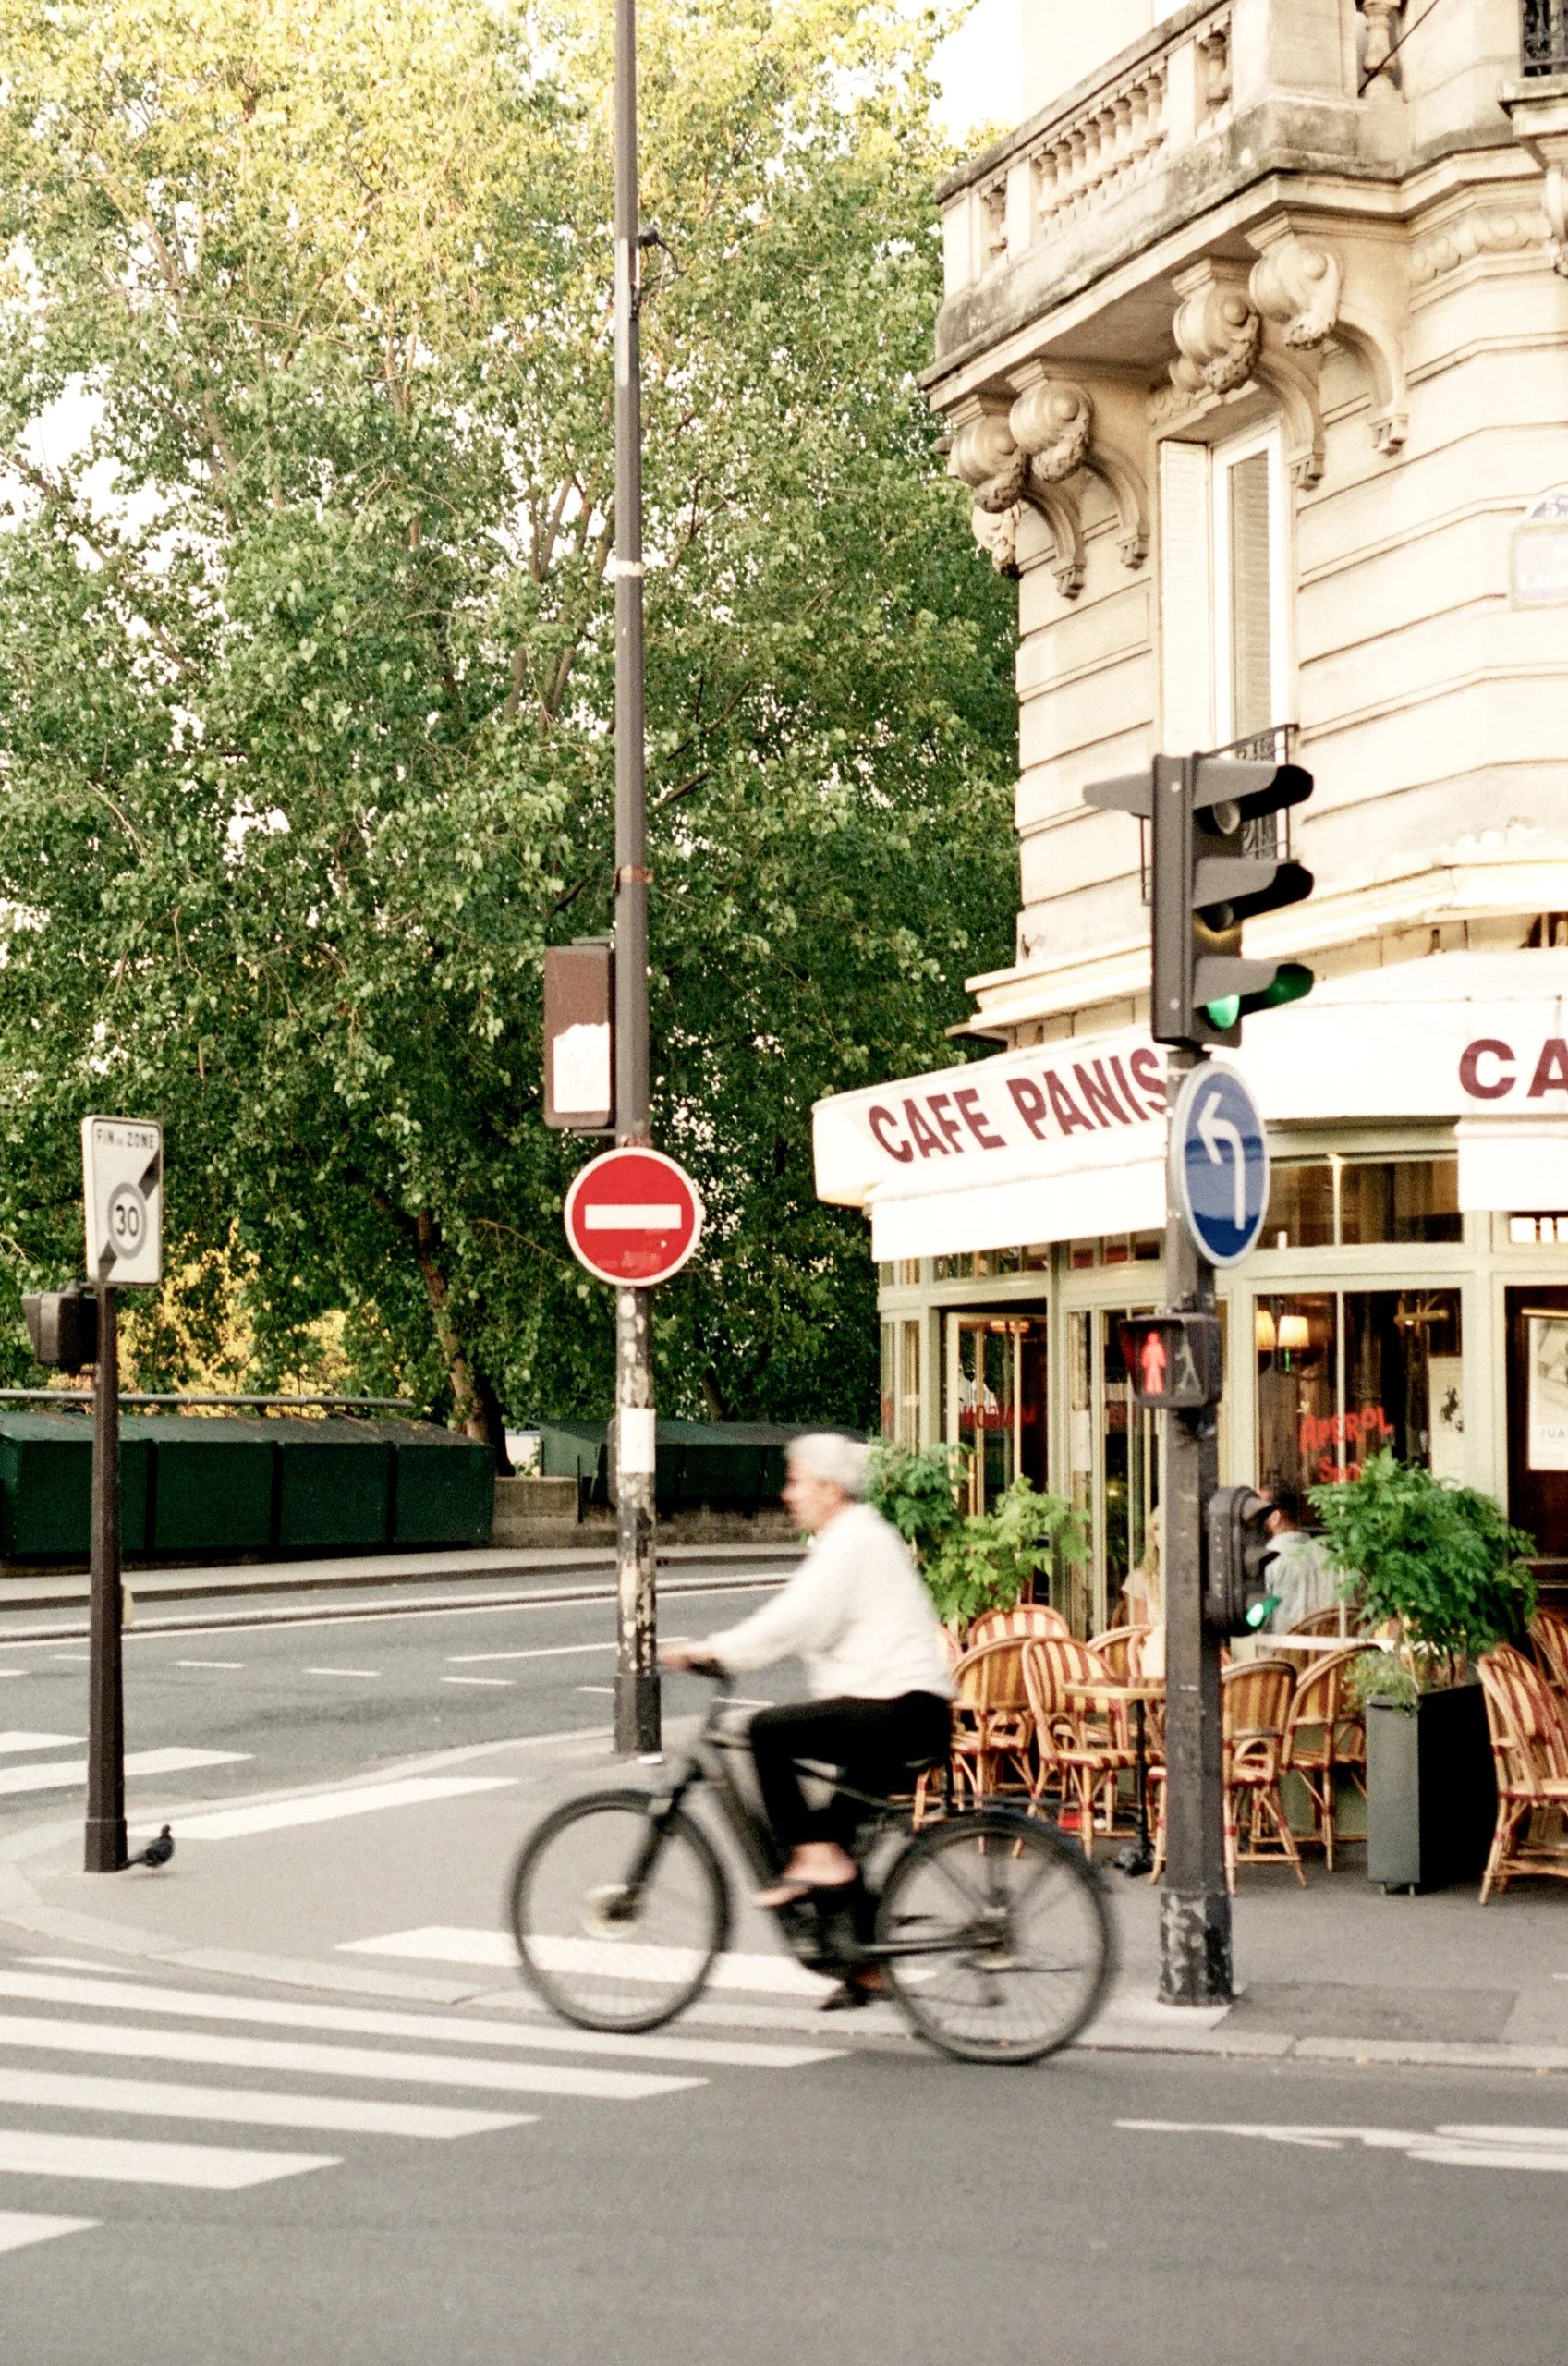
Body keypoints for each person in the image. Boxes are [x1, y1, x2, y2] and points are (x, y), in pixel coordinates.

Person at [661, 1431, 954, 2003]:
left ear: (828, 1487)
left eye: (796, 1482)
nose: (787, 1494)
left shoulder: (853, 1541)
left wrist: (716, 1651)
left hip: (896, 1709)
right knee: (839, 1837)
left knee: (768, 1732)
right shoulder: (855, 1538)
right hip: (906, 1709)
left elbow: (795, 1620)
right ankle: (866, 1966)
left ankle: (814, 1859)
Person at [1261, 1488, 1338, 1634]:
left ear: (1275, 1517)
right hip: (1332, 1656)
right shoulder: (1334, 1561)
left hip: (1278, 1655)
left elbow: (1256, 1623)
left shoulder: (1268, 1562)